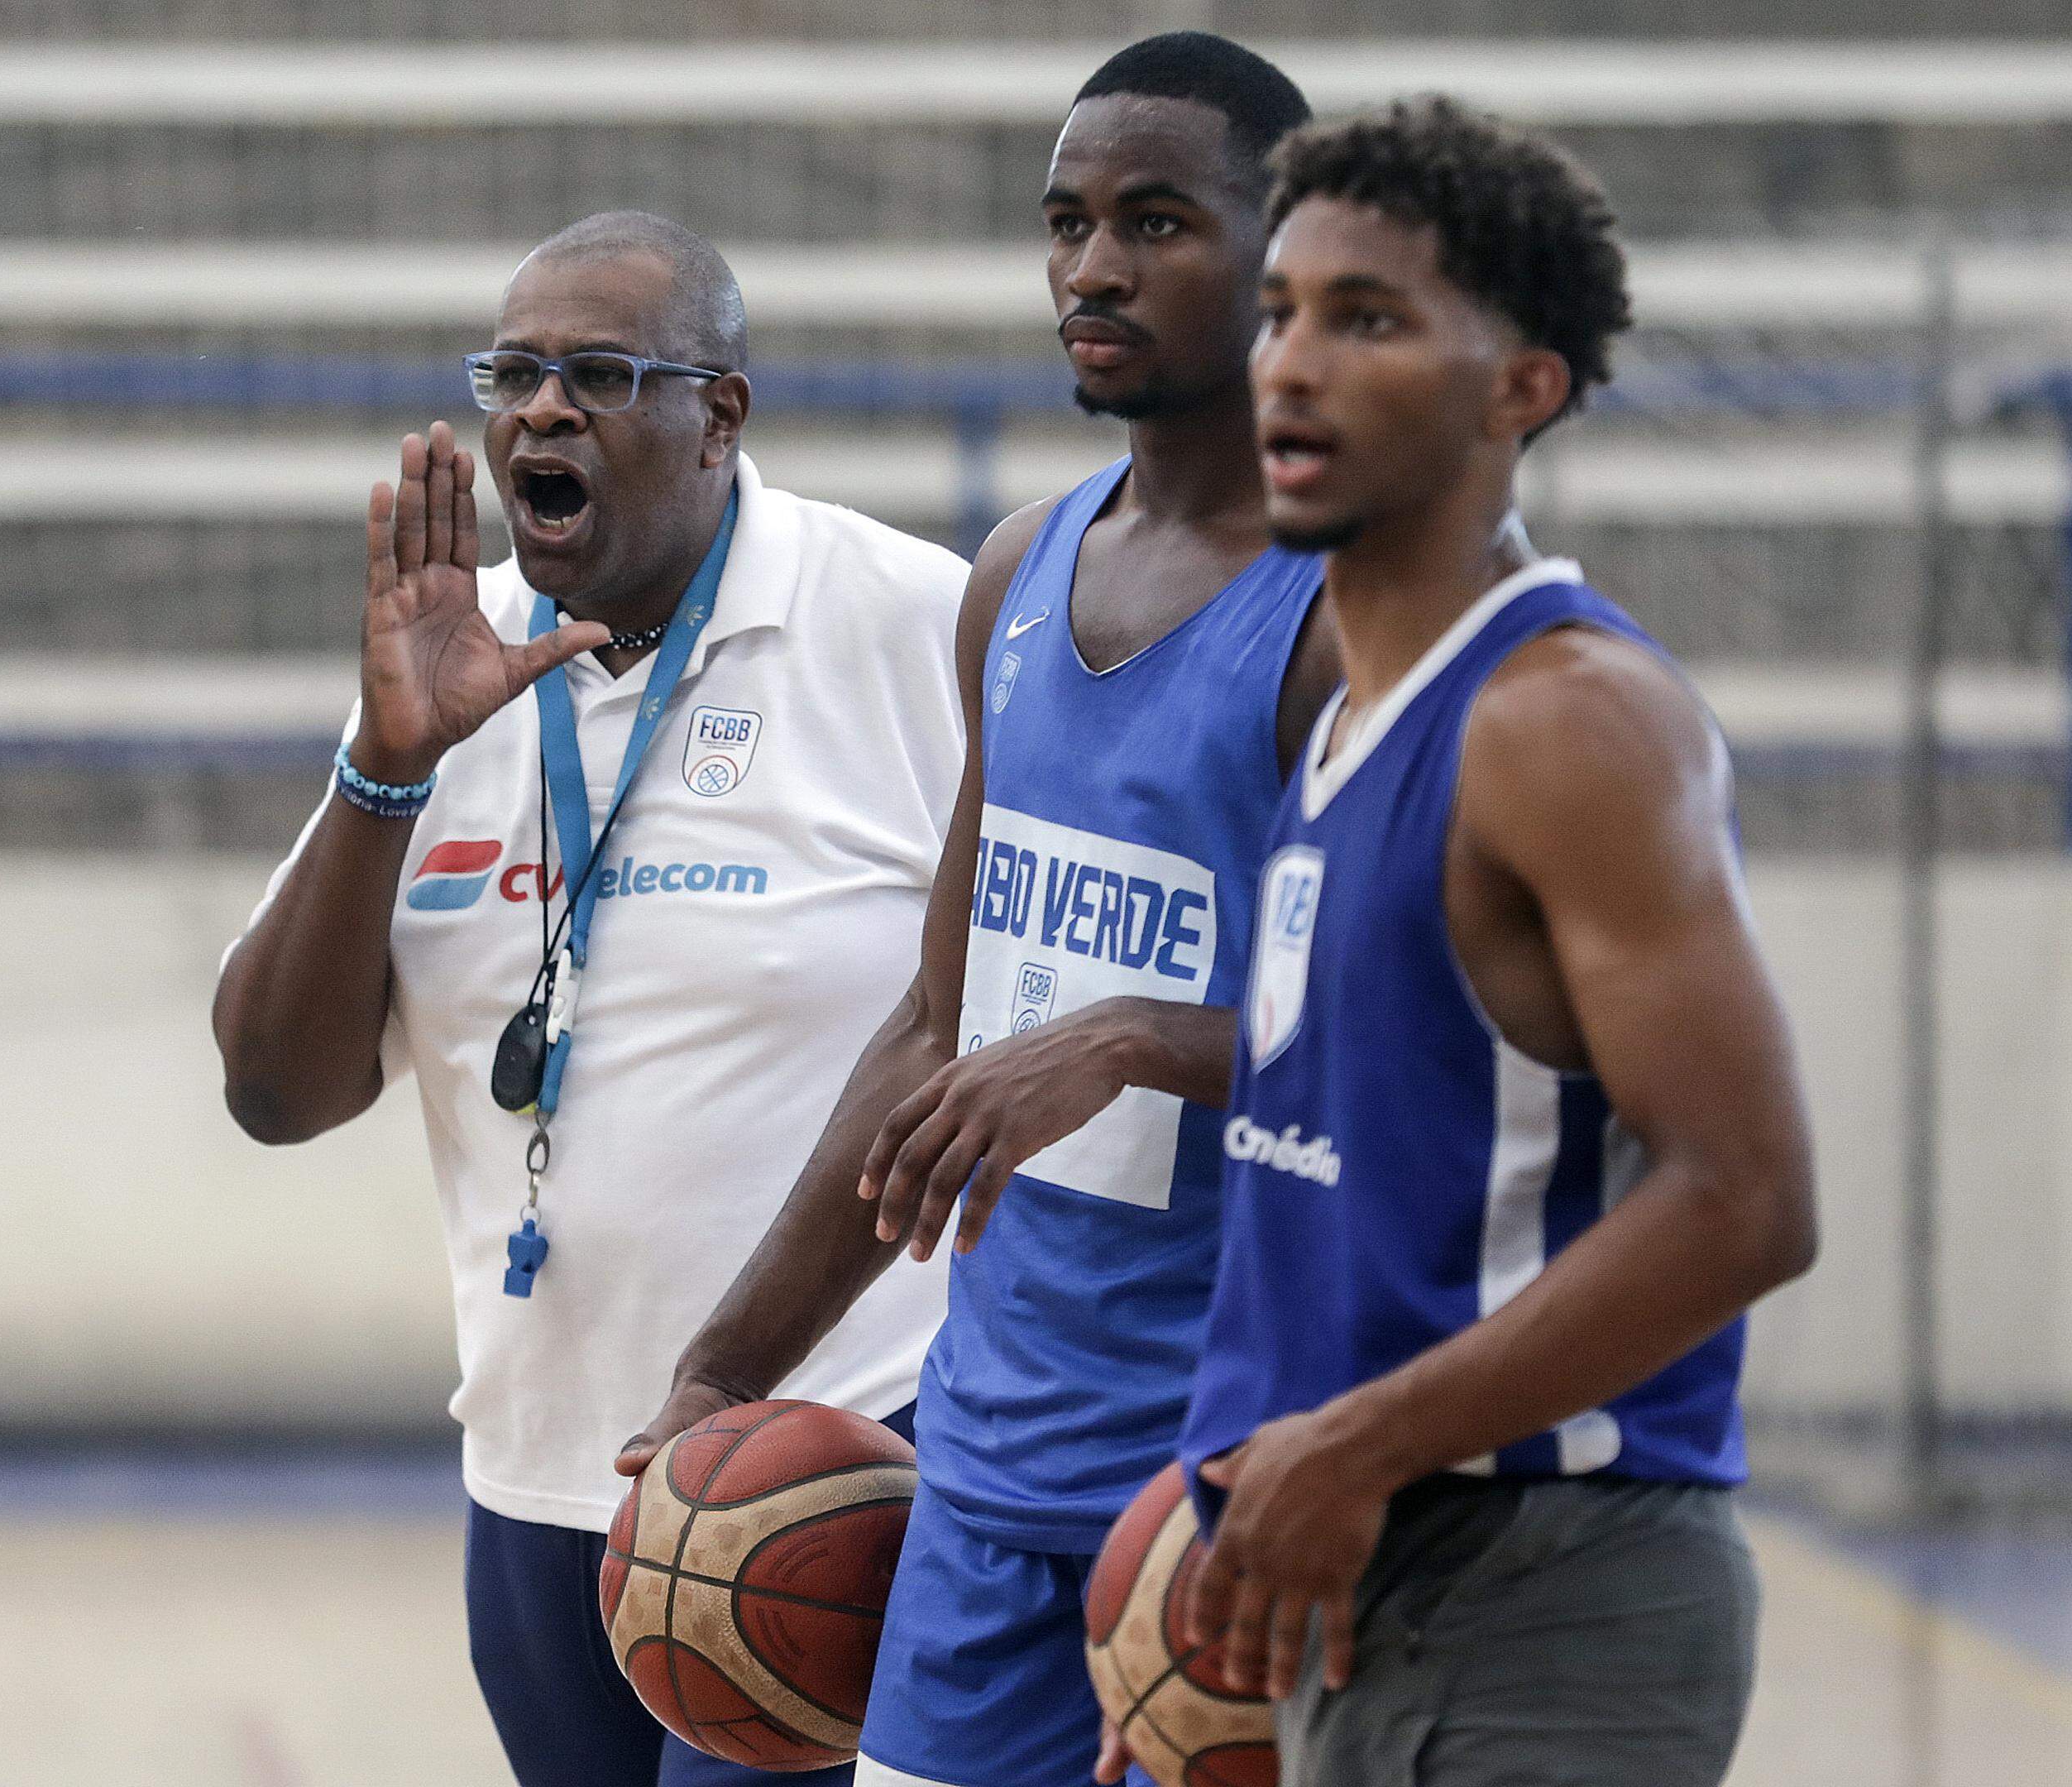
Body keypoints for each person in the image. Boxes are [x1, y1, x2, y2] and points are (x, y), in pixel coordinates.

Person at [615, 36, 1333, 1787]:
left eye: (1155, 221)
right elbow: (940, 1029)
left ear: (1287, 252)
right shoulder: (1015, 576)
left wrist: (1127, 1041)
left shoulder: (1348, 622)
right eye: (1068, 224)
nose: (1093, 266)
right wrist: (726, 1367)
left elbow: (1435, 1058)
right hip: (980, 1488)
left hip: (1228, 1497)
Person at [211, 213, 968, 1787]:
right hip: (535, 1486)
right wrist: (386, 765)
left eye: (604, 375)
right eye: (516, 374)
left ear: (722, 416)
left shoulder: (910, 624)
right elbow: (275, 1091)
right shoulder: (444, 653)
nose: (542, 413)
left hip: (823, 1469)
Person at [1174, 99, 1819, 1787]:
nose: (1291, 365)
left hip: (1553, 1580)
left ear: (1523, 387)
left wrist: (1354, 1445)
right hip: (1372, 1572)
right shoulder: (1342, 713)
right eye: (1281, 311)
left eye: (1366, 319)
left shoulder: (1567, 720)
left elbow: (1747, 1197)